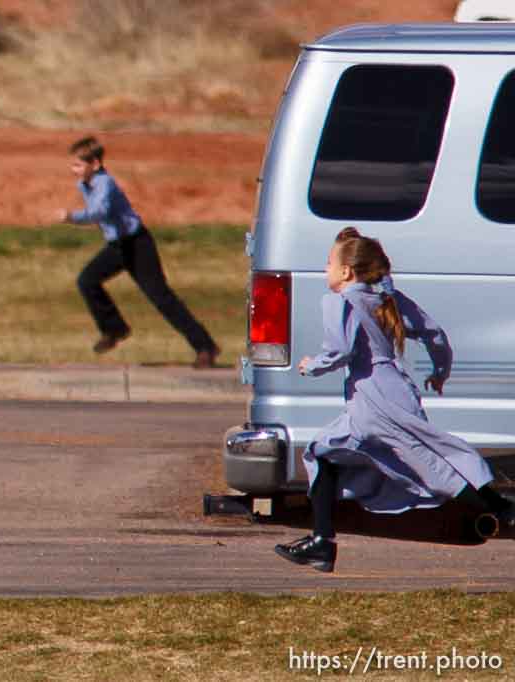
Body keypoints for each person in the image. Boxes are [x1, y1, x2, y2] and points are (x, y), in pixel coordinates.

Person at [275, 229, 513, 573]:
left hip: (374, 400)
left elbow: (341, 350)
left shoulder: (339, 301)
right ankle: (321, 542)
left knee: (429, 467)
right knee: (329, 453)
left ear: (346, 272)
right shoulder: (386, 298)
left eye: (329, 262)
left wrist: (311, 366)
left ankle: (501, 508)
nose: (325, 268)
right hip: (393, 390)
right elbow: (433, 333)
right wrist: (439, 370)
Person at [53, 136, 218, 369]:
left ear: (96, 165)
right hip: (117, 246)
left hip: (137, 244)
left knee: (161, 298)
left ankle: (205, 347)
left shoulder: (105, 183)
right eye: (73, 165)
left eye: (79, 165)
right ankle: (115, 329)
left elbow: (99, 212)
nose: (74, 170)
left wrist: (71, 217)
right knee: (87, 281)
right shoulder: (84, 184)